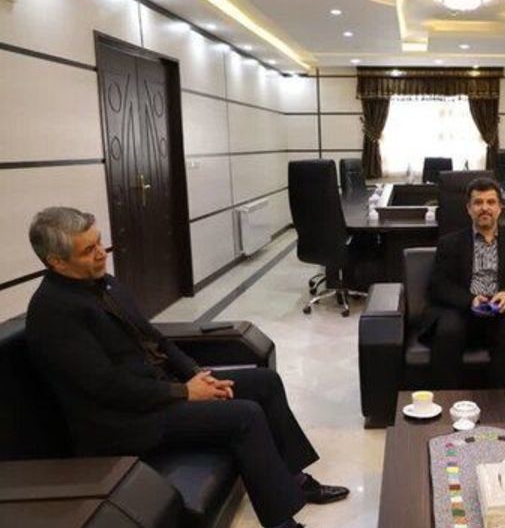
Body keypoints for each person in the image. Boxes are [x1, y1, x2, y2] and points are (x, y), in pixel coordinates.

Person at [25, 207, 347, 528]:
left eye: (99, 243)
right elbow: (107, 387)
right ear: (57, 261)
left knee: (265, 382)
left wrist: (196, 375)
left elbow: (156, 340)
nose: (101, 253)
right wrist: (184, 393)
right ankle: (282, 524)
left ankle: (295, 479)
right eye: (88, 250)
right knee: (245, 416)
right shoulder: (53, 313)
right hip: (124, 421)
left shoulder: (104, 284)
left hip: (157, 391)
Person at [421, 177, 505, 388]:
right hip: (461, 309)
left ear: (500, 208)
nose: (485, 208)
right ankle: (447, 401)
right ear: (469, 209)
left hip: (499, 311)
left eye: (491, 202)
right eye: (478, 202)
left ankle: (502, 403)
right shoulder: (449, 243)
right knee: (447, 332)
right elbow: (439, 285)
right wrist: (470, 300)